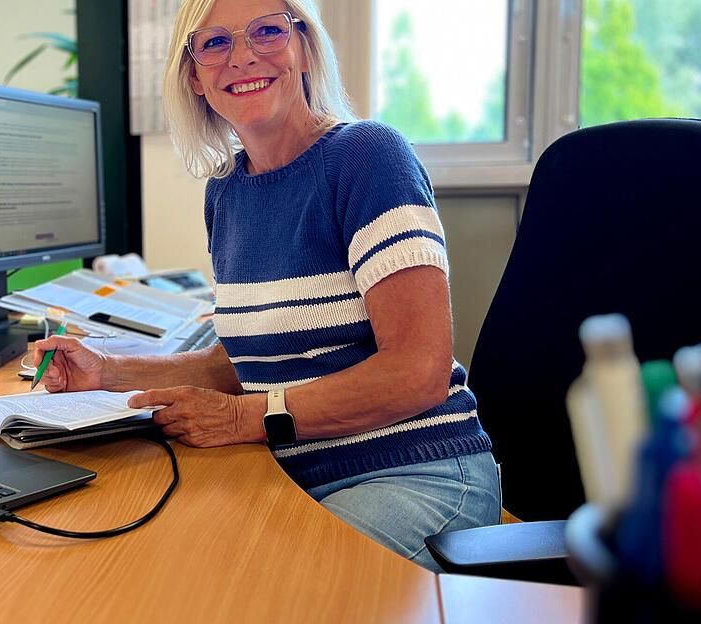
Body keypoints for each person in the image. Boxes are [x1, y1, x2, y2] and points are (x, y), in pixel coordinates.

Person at [32, 0, 500, 571]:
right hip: (292, 475)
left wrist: (241, 418)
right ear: (194, 76)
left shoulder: (368, 158)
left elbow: (417, 371)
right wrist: (108, 372)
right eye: (215, 43)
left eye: (267, 32)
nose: (242, 57)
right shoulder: (226, 192)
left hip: (414, 472)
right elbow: (251, 364)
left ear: (304, 47)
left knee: (265, 593)